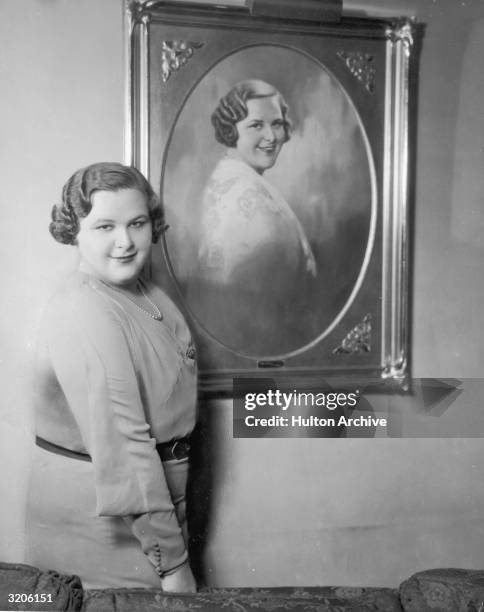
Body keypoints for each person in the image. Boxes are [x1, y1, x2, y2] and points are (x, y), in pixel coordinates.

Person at [26, 162, 198, 591]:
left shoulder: (142, 290)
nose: (125, 242)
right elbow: (125, 448)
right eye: (105, 226)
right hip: (107, 526)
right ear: (74, 231)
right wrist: (174, 567)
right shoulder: (83, 309)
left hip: (153, 510)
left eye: (137, 223)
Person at [192, 80, 317, 355]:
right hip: (261, 339)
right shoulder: (247, 194)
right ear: (230, 129)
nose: (271, 136)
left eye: (277, 123)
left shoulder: (232, 178)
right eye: (256, 125)